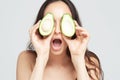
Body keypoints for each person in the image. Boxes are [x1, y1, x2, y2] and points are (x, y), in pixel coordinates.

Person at [16, 0, 103, 80]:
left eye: (64, 23)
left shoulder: (90, 63)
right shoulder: (26, 59)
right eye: (51, 22)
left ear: (75, 29)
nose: (57, 31)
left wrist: (78, 59)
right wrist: (41, 58)